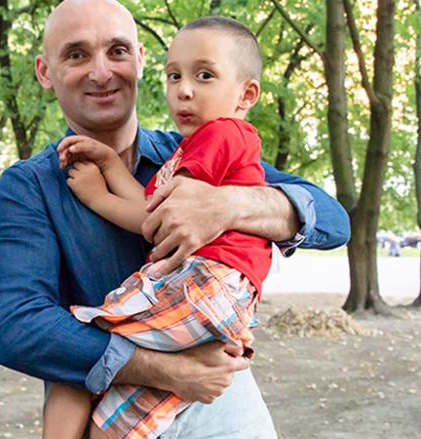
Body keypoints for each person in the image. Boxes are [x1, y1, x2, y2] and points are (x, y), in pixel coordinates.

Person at [0, 0, 350, 438]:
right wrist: (170, 371)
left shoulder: (195, 150)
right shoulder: (30, 185)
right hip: (110, 399)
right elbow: (19, 327)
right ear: (45, 72)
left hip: (223, 405)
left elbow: (332, 221)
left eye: (117, 51)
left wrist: (231, 206)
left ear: (140, 62)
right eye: (77, 54)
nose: (101, 72)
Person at [44, 16, 273, 439]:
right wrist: (112, 164)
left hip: (204, 286)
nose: (184, 89)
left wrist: (97, 196)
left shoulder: (222, 134)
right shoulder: (191, 150)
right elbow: (152, 203)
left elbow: (157, 221)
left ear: (246, 94)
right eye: (175, 76)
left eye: (204, 76)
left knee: (78, 351)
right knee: (118, 414)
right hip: (213, 301)